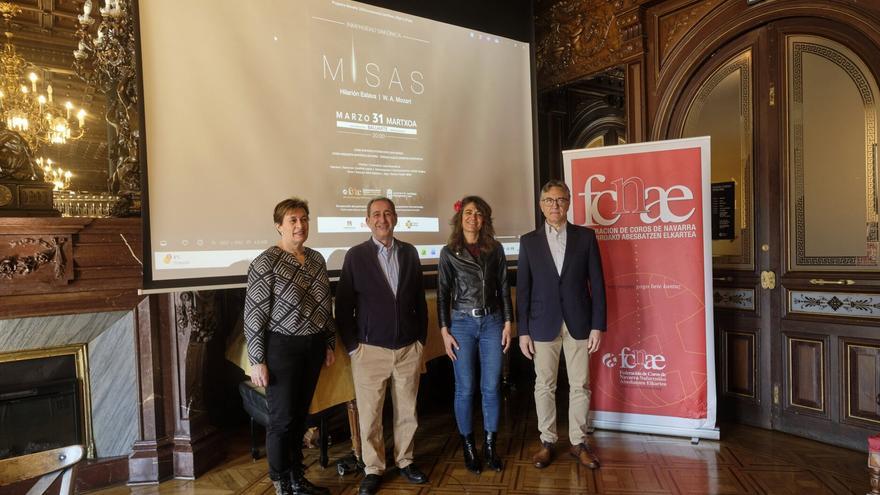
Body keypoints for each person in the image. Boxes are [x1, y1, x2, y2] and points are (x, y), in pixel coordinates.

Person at [335, 197, 429, 495]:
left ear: (396, 218)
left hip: (406, 350)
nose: (382, 219)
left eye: (387, 213)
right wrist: (354, 348)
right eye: (376, 214)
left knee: (407, 411)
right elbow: (345, 307)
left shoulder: (411, 253)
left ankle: (405, 461)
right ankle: (374, 468)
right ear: (367, 221)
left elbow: (419, 302)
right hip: (369, 351)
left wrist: (420, 342)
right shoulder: (355, 256)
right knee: (371, 414)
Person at [244, 198, 336, 495]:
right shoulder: (265, 262)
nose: (300, 225)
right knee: (281, 420)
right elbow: (254, 314)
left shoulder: (317, 259)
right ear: (279, 226)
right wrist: (257, 359)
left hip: (313, 346)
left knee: (300, 416)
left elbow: (325, 306)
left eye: (304, 219)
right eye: (293, 220)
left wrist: (329, 342)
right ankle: (281, 482)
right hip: (281, 348)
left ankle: (297, 478)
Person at [516, 179, 607, 470]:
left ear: (568, 203)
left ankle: (578, 443)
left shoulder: (586, 238)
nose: (555, 205)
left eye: (560, 199)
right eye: (549, 200)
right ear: (541, 205)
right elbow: (524, 289)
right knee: (544, 385)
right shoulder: (528, 241)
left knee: (580, 384)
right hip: (541, 324)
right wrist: (523, 332)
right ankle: (547, 442)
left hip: (579, 322)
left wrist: (597, 325)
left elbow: (598, 285)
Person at [436, 196, 513, 474]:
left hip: (492, 321)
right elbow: (443, 294)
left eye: (478, 213)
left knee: (491, 387)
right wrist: (444, 331)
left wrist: (508, 323)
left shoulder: (496, 249)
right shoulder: (449, 252)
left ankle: (490, 445)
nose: (473, 217)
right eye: (468, 213)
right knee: (465, 388)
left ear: (485, 220)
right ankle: (469, 446)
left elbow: (504, 287)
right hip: (461, 324)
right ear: (460, 218)